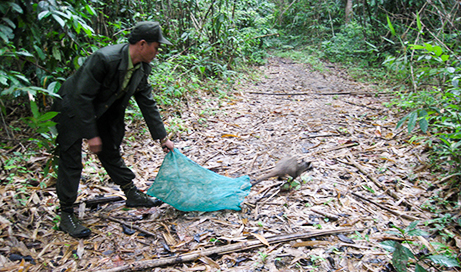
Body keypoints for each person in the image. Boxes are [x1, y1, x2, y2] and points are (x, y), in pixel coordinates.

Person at [51, 21, 175, 238]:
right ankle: (67, 214)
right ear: (143, 44)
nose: (157, 52)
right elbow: (82, 96)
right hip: (72, 107)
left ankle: (131, 193)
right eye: (156, 46)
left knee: (110, 150)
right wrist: (91, 134)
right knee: (71, 160)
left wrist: (162, 137)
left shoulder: (141, 68)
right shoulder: (105, 58)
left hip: (103, 110)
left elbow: (147, 102)